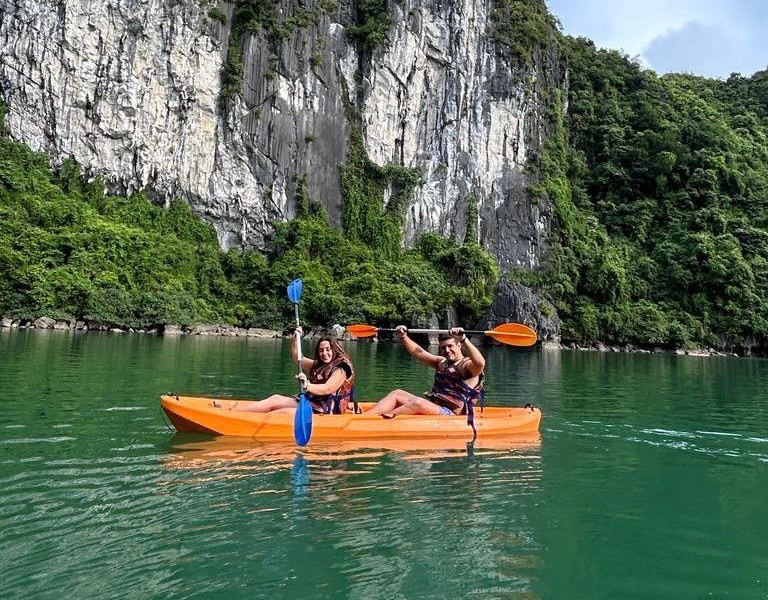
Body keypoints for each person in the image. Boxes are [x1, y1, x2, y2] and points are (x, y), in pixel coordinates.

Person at [214, 327, 355, 414]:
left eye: (328, 350)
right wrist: (296, 337)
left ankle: (239, 418)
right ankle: (231, 412)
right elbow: (297, 357)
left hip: (327, 410)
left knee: (280, 412)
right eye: (321, 350)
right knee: (275, 399)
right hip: (311, 404)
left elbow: (327, 388)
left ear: (334, 350)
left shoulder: (341, 368)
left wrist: (308, 385)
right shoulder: (320, 365)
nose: (325, 353)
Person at [366, 325, 485, 417]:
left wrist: (464, 339)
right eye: (443, 347)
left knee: (419, 402)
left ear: (459, 346)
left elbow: (480, 363)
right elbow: (419, 353)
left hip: (451, 413)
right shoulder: (442, 362)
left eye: (450, 346)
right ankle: (364, 418)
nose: (447, 350)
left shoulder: (467, 366)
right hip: (435, 406)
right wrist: (403, 336)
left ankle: (381, 420)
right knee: (397, 393)